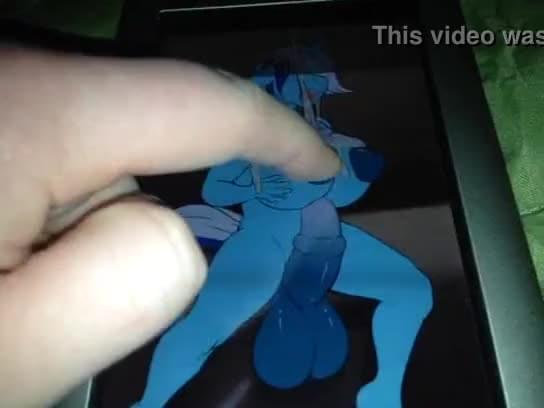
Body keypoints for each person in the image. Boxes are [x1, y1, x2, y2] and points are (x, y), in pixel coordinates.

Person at [0, 45, 340, 408]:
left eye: (315, 93)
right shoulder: (251, 156)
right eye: (306, 89)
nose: (310, 99)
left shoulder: (322, 136)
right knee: (205, 329)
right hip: (263, 242)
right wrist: (255, 187)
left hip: (320, 242)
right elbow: (216, 191)